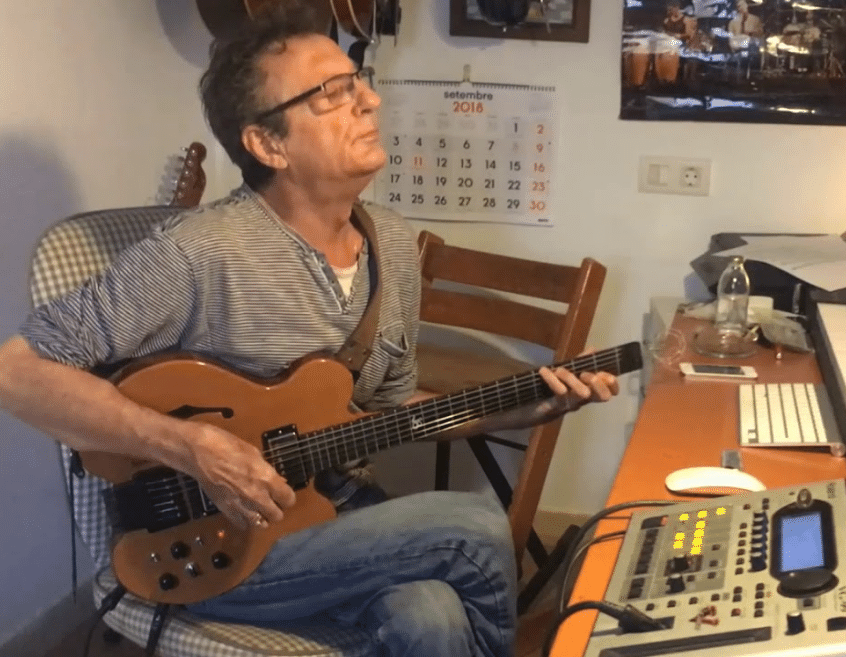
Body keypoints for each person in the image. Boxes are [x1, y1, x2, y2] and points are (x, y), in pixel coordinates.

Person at [0, 4, 621, 657]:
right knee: (471, 523)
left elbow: (390, 410)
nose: (370, 101)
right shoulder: (199, 252)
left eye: (359, 84)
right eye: (333, 94)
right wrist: (191, 448)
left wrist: (524, 407)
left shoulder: (394, 246)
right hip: (212, 545)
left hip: (336, 517)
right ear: (269, 144)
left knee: (430, 615)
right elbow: (17, 373)